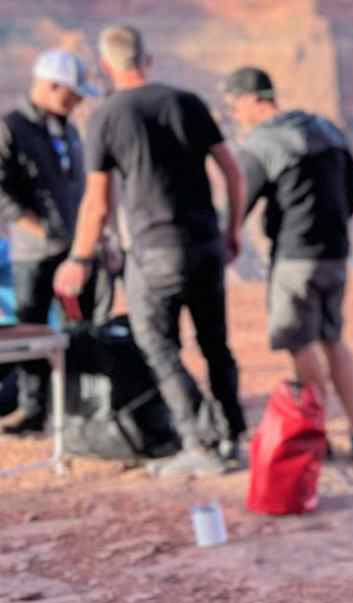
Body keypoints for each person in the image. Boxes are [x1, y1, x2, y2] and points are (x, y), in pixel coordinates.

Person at [54, 24, 245, 477]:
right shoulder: (186, 102)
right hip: (204, 244)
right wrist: (231, 231)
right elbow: (232, 172)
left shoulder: (106, 116)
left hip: (153, 251)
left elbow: (98, 200)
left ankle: (200, 442)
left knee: (158, 347)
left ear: (106, 65)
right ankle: (233, 436)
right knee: (216, 345)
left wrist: (80, 258)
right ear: (147, 59)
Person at [225, 67, 353, 458]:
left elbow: (239, 199)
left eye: (235, 105)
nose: (235, 115)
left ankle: (317, 433)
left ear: (254, 99)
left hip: (294, 256)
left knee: (299, 341)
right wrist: (333, 222)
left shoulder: (263, 142)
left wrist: (228, 238)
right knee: (333, 338)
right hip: (336, 252)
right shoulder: (326, 128)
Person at [0, 50, 115, 435]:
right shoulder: (11, 127)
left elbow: (82, 187)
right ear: (49, 86)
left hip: (75, 253)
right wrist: (37, 229)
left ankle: (79, 403)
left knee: (78, 324)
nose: (77, 102)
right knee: (31, 329)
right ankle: (34, 410)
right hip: (33, 255)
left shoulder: (67, 129)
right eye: (71, 94)